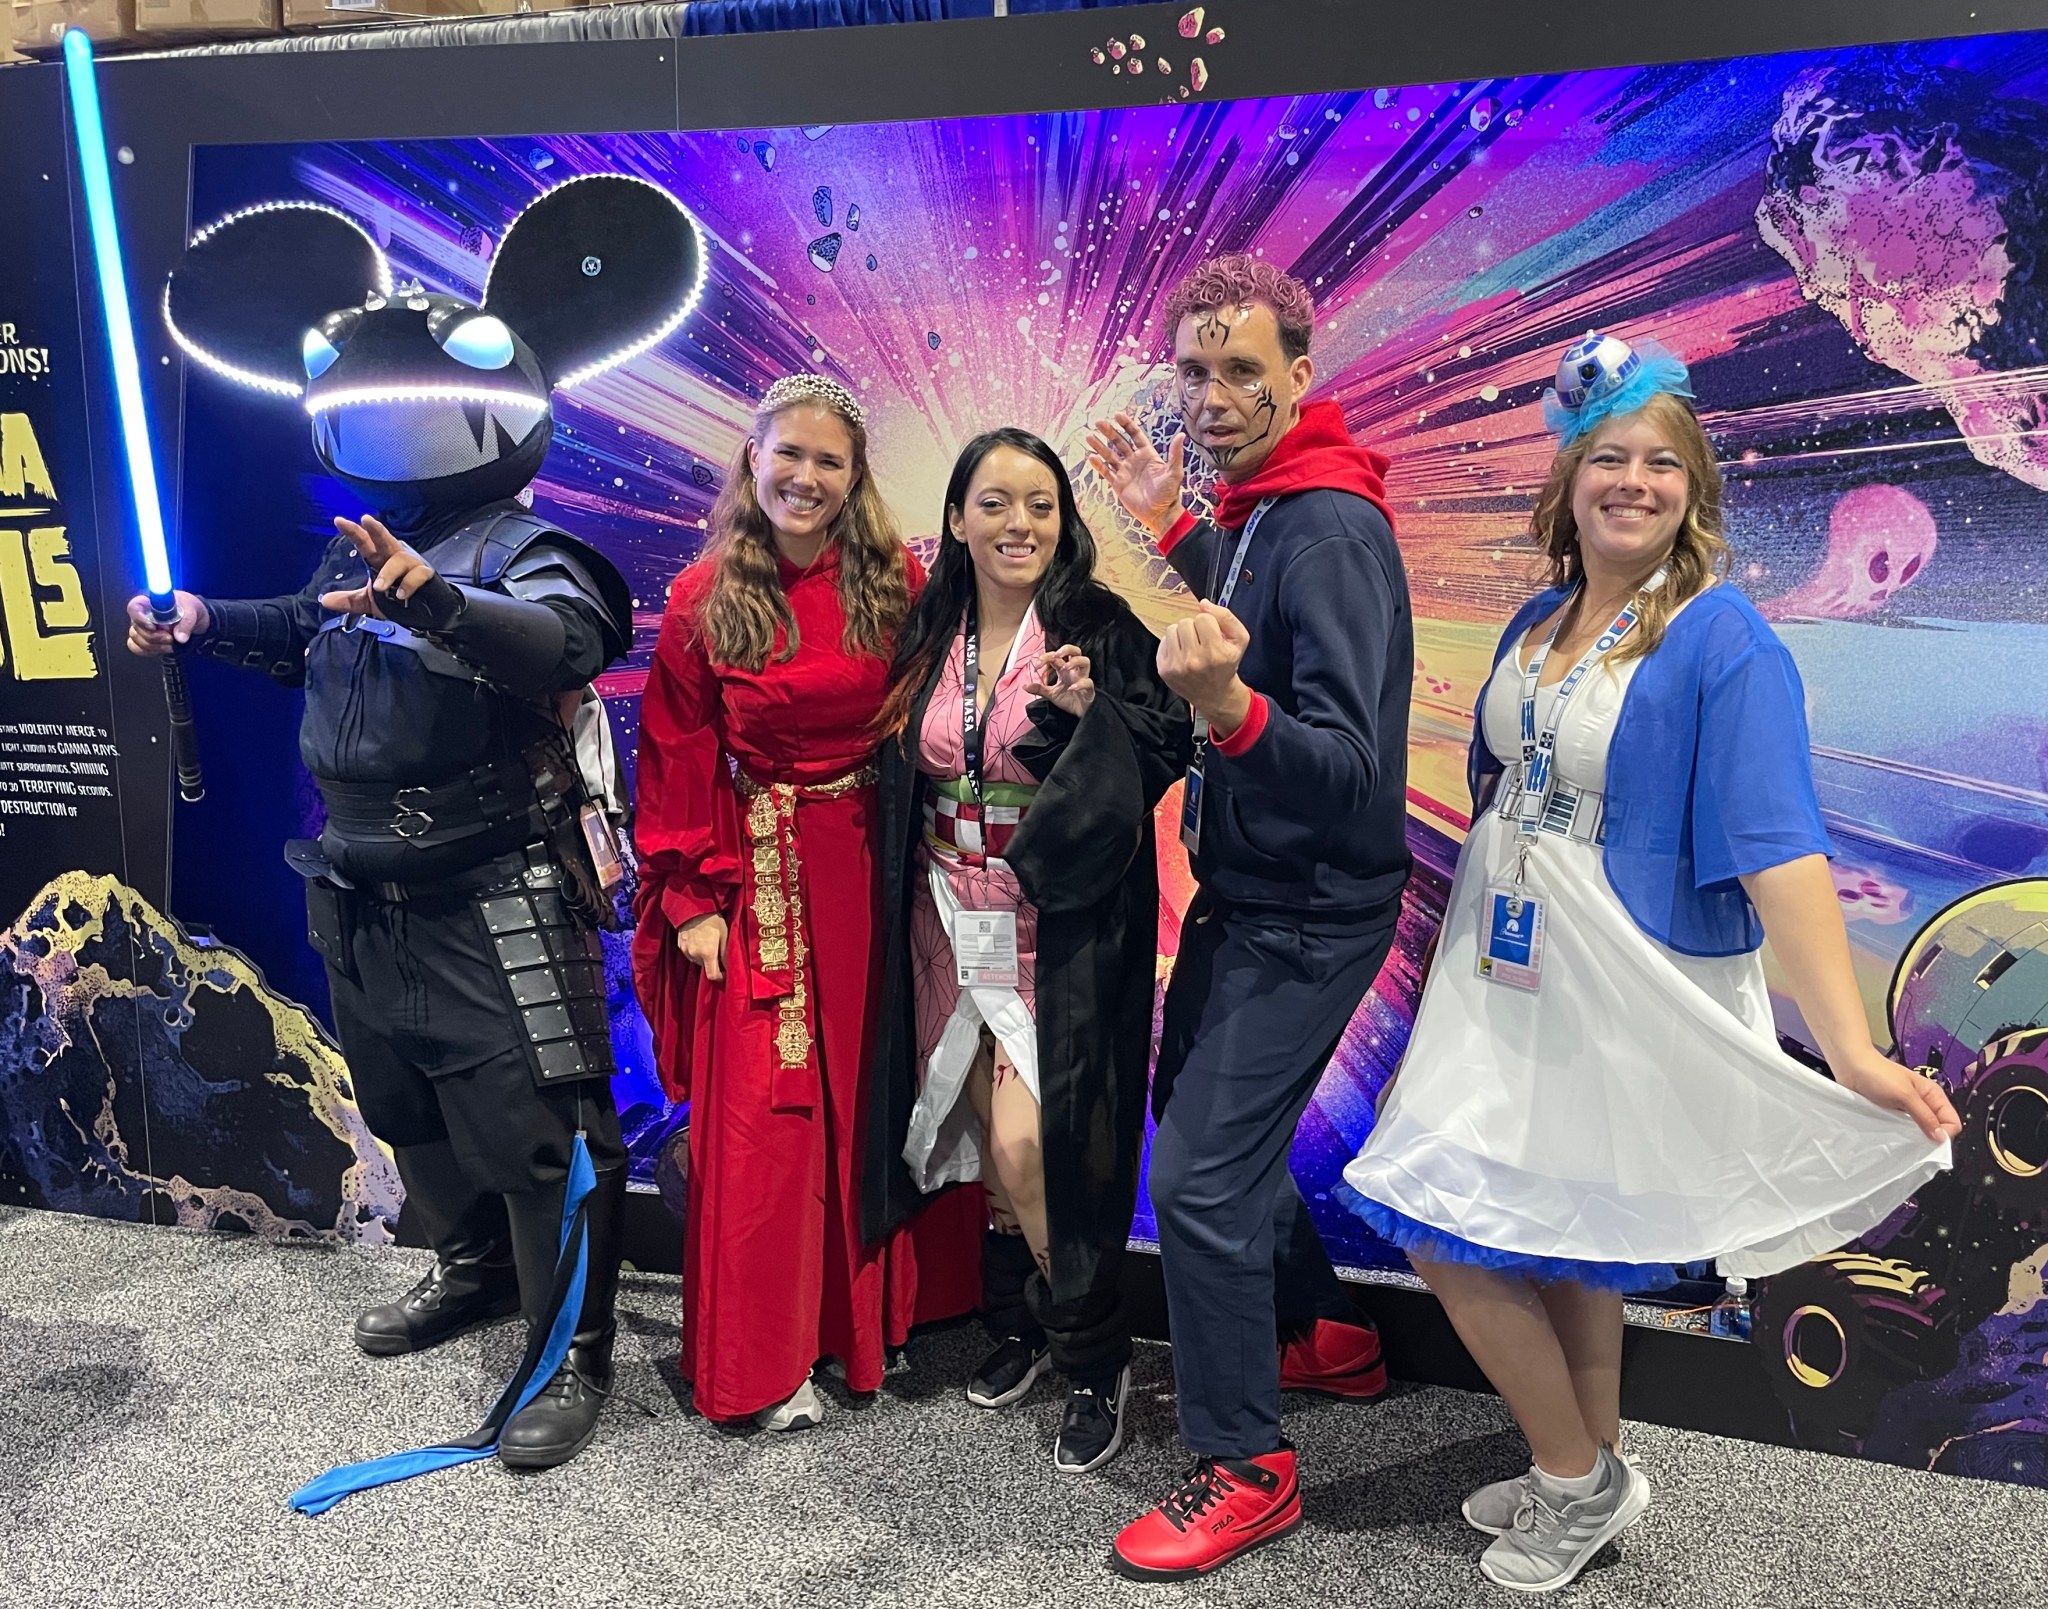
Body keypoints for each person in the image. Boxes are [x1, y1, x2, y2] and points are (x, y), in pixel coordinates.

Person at [1340, 333, 1958, 1593]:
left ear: (1694, 489)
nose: (1632, 481)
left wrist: (1849, 1046)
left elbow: (1778, 845)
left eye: (1660, 463)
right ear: (1567, 482)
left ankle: (1572, 1477)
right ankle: (1592, 1465)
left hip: (1618, 976)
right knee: (1551, 1222)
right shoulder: (1536, 616)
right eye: (1608, 457)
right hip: (1501, 971)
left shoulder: (1721, 638)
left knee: (1453, 1223)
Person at [133, 176, 700, 1476]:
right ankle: (471, 1270)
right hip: (360, 887)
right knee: (399, 1105)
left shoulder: (527, 547)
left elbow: (565, 640)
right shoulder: (356, 547)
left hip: (496, 891)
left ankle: (574, 1353)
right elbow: (303, 631)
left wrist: (440, 602)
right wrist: (207, 621)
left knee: (539, 1129)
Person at [1085, 255, 1411, 1579]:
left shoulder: (1331, 525)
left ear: (1301, 375)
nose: (1214, 398)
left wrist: (1228, 716)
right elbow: (1251, 603)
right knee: (1219, 1141)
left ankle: (1247, 1466)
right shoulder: (1272, 504)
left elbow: (1343, 766)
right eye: (1197, 372)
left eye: (1243, 374)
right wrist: (1177, 530)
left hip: (1306, 908)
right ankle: (1325, 1339)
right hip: (1258, 894)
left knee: (1202, 1177)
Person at [631, 374, 984, 1431]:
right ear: (753, 458)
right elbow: (676, 748)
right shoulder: (704, 597)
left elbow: (951, 700)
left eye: (829, 460)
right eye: (789, 453)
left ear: (854, 475)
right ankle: (763, 1356)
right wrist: (689, 895)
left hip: (874, 865)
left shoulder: (895, 579)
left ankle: (865, 1326)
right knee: (766, 1117)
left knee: (873, 1090)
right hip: (759, 871)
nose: (806, 477)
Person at [862, 429, 1190, 1475]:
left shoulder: (1094, 623)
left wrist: (1087, 715)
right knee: (972, 1142)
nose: (1018, 525)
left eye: (1040, 505)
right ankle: (1021, 1326)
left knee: (1024, 1145)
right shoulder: (927, 626)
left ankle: (1094, 1353)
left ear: (1065, 520)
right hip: (941, 914)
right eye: (995, 503)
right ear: (957, 517)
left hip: (1053, 924)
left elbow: (1166, 738)